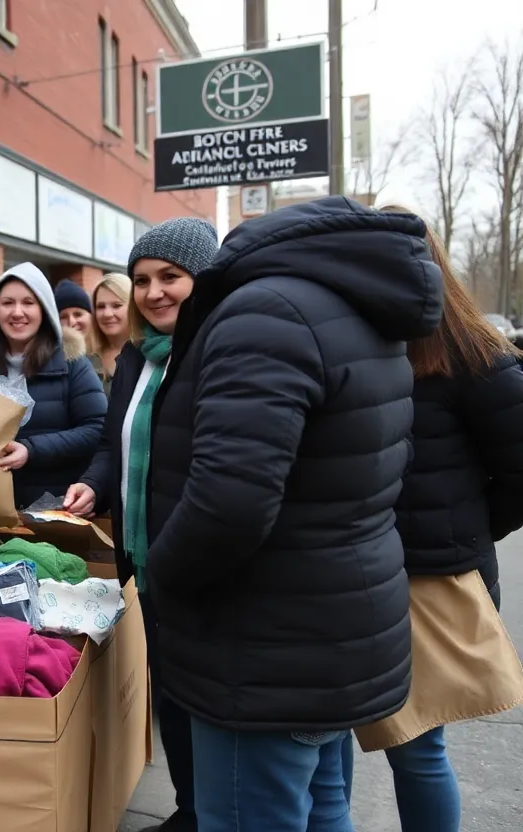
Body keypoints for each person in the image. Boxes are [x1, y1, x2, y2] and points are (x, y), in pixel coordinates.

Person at [140, 197, 442, 831]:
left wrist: (163, 577)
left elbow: (231, 502)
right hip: (324, 633)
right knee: (323, 811)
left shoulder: (264, 312)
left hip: (265, 647)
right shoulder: (346, 304)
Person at [63, 218, 219, 832]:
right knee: (171, 694)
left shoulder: (214, 351)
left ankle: (215, 813)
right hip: (143, 557)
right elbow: (113, 442)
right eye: (143, 280)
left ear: (202, 281)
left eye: (171, 278)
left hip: (194, 559)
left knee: (202, 696)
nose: (154, 292)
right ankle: (190, 809)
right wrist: (94, 482)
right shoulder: (136, 356)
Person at [372, 208, 523, 832]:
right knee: (331, 746)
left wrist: (463, 530)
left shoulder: (477, 356)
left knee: (418, 747)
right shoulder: (354, 342)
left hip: (431, 581)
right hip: (356, 573)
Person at [0, 262, 106, 509]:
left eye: (28, 302)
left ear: (44, 309)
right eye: (7, 303)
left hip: (56, 511)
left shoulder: (72, 364)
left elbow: (97, 428)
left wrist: (30, 450)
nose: (17, 312)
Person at [91, 272, 133, 395]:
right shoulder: (85, 358)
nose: (107, 314)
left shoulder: (149, 354)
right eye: (100, 307)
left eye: (116, 305)